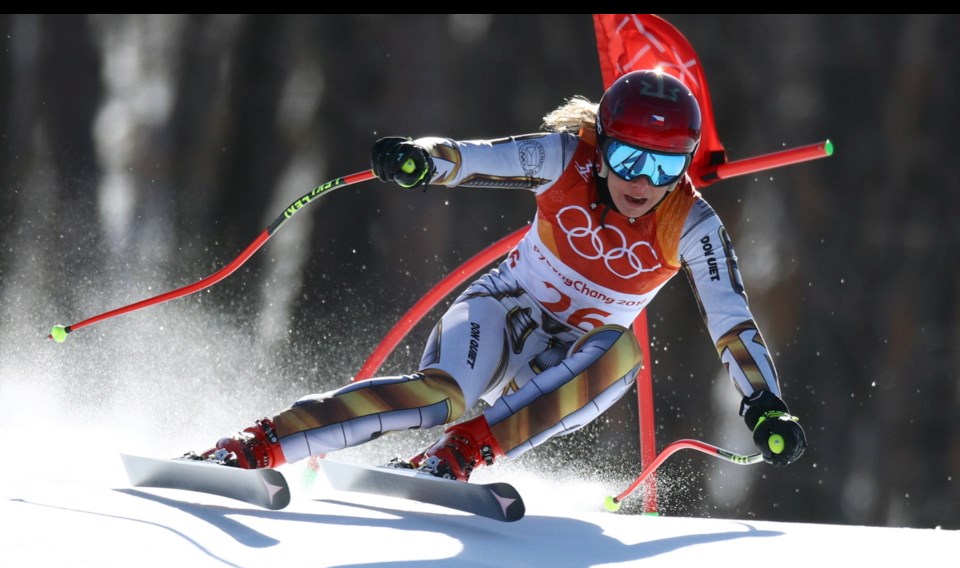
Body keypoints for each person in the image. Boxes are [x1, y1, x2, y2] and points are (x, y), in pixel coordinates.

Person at [185, 69, 807, 480]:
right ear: (603, 140)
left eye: (665, 165)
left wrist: (764, 404)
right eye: (627, 156)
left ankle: (454, 458)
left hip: (567, 364)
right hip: (501, 312)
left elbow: (732, 321)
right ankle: (254, 446)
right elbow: (474, 157)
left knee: (621, 353)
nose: (641, 181)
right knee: (441, 398)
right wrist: (421, 161)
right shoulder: (566, 158)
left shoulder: (692, 224)